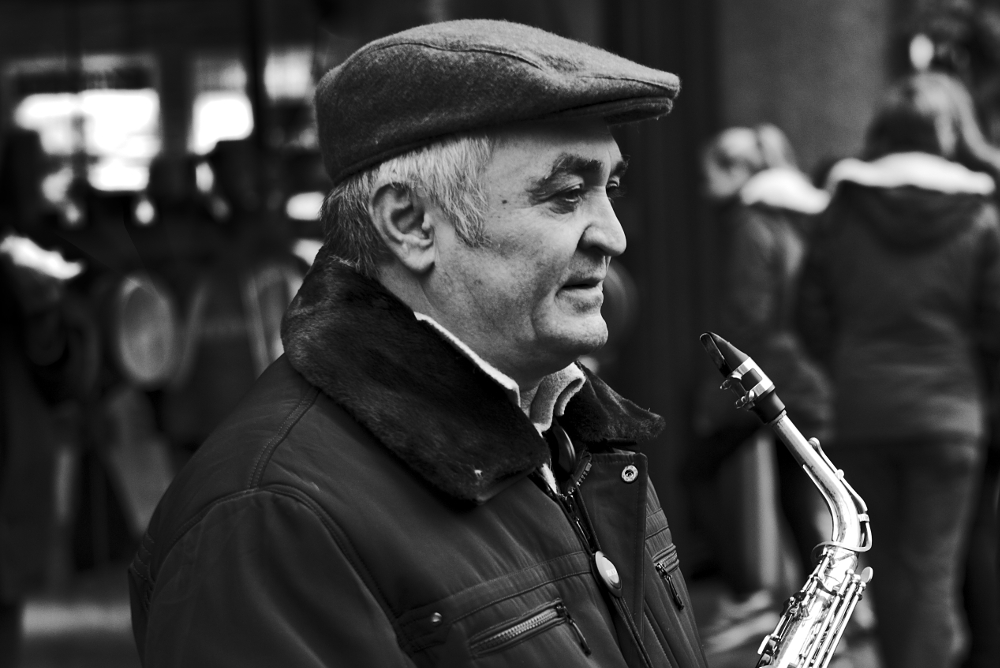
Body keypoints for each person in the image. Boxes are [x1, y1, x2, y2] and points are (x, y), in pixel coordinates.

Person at [128, 20, 707, 668]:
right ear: (409, 222)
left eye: (611, 189)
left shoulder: (573, 430)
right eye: (567, 195)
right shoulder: (265, 517)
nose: (614, 235)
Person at [796, 71, 1000, 668]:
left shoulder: (843, 210)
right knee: (933, 572)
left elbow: (809, 308)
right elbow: (995, 322)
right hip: (950, 415)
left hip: (864, 410)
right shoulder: (981, 216)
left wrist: (848, 361)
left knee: (881, 572)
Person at [685, 125, 832, 652]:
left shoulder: (749, 221)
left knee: (693, 472)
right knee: (798, 497)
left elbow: (747, 317)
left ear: (739, 172)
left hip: (768, 377)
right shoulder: (800, 217)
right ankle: (822, 613)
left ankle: (748, 595)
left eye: (710, 175)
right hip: (806, 376)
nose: (704, 188)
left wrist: (713, 395)